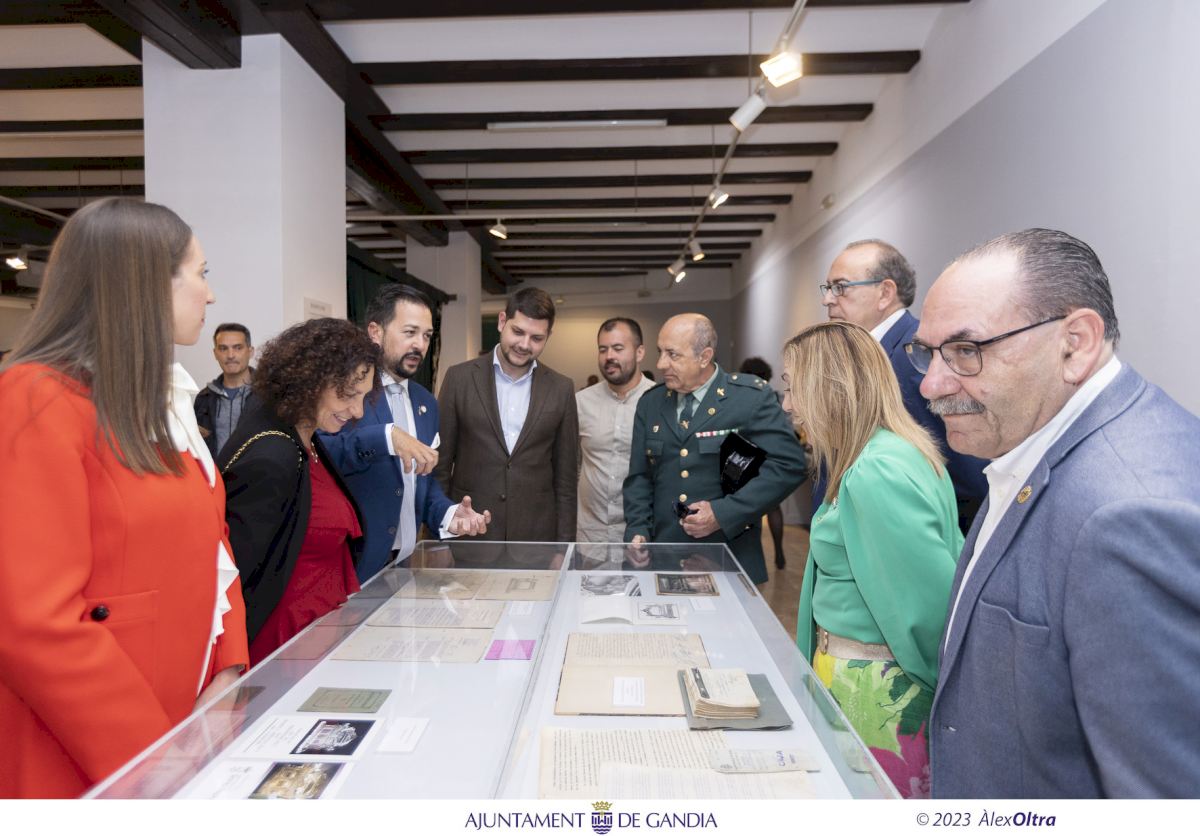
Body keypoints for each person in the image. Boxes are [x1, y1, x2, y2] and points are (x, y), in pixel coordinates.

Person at [914, 229, 1200, 799]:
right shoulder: (1033, 441)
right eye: (928, 352)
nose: (931, 384)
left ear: (1076, 343)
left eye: (967, 351)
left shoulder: (1127, 512)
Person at [0, 198, 248, 798]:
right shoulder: (35, 399)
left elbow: (214, 542)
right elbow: (33, 621)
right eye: (201, 274)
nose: (211, 295)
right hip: (96, 751)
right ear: (147, 283)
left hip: (183, 720)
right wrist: (151, 760)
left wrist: (228, 667)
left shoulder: (153, 398)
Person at [783, 321, 962, 798]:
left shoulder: (875, 470)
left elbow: (925, 610)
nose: (788, 404)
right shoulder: (888, 453)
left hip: (877, 696)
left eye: (793, 387)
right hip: (869, 685)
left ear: (829, 388)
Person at [219, 317, 378, 666]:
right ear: (311, 381)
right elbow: (237, 577)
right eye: (348, 395)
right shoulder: (273, 456)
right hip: (280, 650)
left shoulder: (306, 436)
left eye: (364, 397)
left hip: (315, 638)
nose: (357, 411)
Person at [320, 284, 491, 581]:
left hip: (403, 566)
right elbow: (325, 453)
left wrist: (449, 515)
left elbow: (421, 482)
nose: (420, 345)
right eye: (410, 332)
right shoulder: (346, 390)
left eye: (426, 336)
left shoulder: (426, 402)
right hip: (349, 568)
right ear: (375, 332)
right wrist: (387, 437)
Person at [623, 314, 805, 585]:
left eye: (673, 354)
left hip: (728, 558)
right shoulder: (651, 404)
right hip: (663, 558)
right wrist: (637, 530)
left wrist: (723, 513)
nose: (660, 364)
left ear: (704, 356)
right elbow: (640, 477)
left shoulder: (749, 398)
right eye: (660, 352)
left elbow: (789, 465)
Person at [819, 240, 987, 532]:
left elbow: (966, 470)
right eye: (828, 288)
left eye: (841, 287)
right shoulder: (869, 353)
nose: (828, 299)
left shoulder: (919, 355)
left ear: (885, 293)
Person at [434, 287, 578, 542]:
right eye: (518, 332)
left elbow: (566, 481)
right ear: (502, 321)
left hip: (536, 540)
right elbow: (440, 467)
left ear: (548, 336)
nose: (524, 345)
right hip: (470, 534)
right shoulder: (459, 378)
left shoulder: (561, 388)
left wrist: (563, 548)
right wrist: (439, 536)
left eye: (537, 338)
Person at [576, 317, 656, 542]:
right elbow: (570, 466)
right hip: (591, 535)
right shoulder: (580, 402)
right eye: (603, 349)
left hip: (642, 536)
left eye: (618, 348)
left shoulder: (659, 401)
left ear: (639, 352)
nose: (609, 356)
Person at [737, 356, 789, 569]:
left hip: (746, 456)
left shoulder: (740, 396)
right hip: (770, 455)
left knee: (750, 505)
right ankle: (779, 551)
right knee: (774, 506)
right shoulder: (772, 396)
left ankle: (751, 553)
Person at [194, 322, 258, 457]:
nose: (230, 355)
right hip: (215, 470)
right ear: (215, 353)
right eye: (223, 349)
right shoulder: (203, 399)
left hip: (256, 470)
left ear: (250, 351)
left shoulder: (267, 395)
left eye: (238, 348)